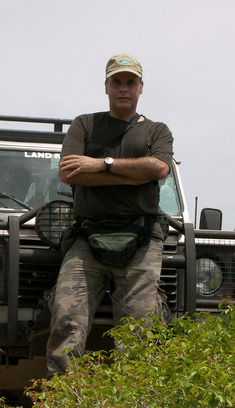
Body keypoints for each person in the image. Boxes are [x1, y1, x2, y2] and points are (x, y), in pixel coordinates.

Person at [46, 54, 174, 376]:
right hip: (87, 236)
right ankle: (63, 399)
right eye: (116, 81)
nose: (123, 88)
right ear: (106, 86)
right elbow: (69, 174)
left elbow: (159, 168)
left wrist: (100, 163)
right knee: (65, 317)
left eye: (130, 82)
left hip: (143, 238)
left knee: (140, 326)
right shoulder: (84, 124)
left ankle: (135, 407)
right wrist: (136, 174)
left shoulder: (157, 130)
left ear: (141, 88)